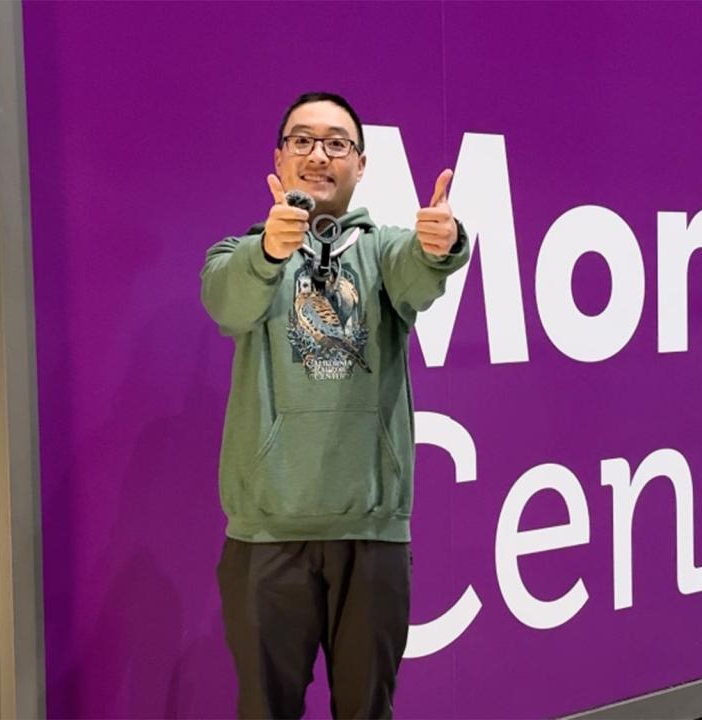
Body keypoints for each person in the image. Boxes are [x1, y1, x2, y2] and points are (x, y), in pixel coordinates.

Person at [200, 91, 470, 719]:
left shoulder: (383, 251)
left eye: (336, 143)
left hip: (370, 530)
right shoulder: (239, 255)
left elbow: (418, 272)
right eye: (303, 140)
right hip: (267, 534)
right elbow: (226, 302)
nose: (319, 155)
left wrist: (442, 244)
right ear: (279, 156)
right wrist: (269, 251)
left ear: (361, 162)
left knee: (367, 710)